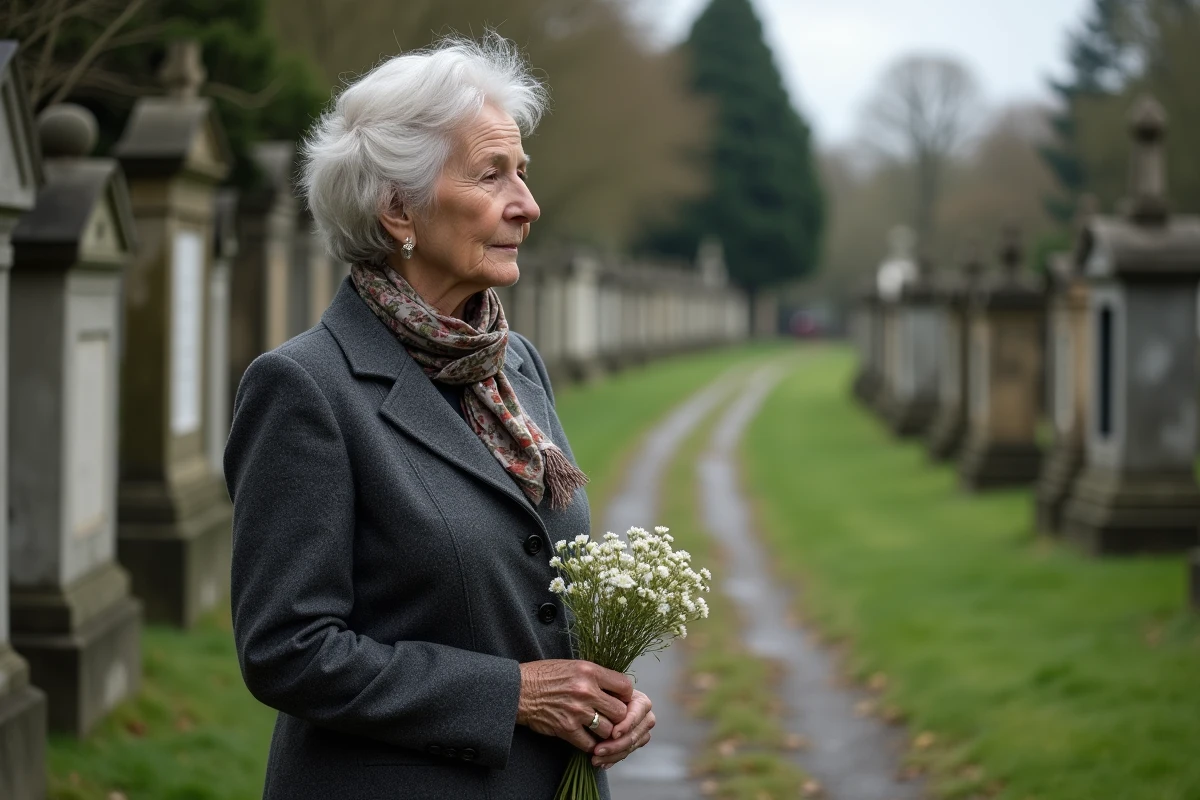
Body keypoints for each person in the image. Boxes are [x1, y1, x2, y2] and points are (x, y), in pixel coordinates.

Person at [224, 34, 655, 800]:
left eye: (522, 172)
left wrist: (605, 691)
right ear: (398, 209)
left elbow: (532, 593)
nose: (528, 203)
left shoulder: (515, 364)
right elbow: (287, 648)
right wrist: (512, 695)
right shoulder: (304, 389)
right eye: (493, 175)